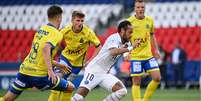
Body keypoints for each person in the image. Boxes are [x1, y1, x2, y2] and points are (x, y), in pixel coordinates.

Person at [0, 5, 74, 101]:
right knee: (70, 87)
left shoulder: (40, 30)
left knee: (7, 99)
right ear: (59, 18)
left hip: (24, 71)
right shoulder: (56, 33)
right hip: (39, 76)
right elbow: (45, 48)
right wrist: (50, 70)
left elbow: (41, 55)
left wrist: (59, 65)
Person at [72, 20, 141, 101]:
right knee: (78, 97)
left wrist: (131, 56)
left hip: (104, 73)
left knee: (122, 91)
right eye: (130, 32)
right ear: (122, 31)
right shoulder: (114, 38)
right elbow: (113, 52)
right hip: (94, 70)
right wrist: (132, 47)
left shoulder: (127, 43)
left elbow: (126, 56)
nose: (131, 35)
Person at [48, 10, 101, 101]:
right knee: (57, 80)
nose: (80, 23)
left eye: (82, 21)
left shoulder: (88, 32)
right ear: (72, 21)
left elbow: (99, 46)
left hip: (77, 65)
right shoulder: (65, 31)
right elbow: (54, 42)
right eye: (77, 20)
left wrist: (90, 60)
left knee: (68, 88)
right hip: (65, 59)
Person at [127, 0, 161, 101]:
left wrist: (157, 50)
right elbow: (125, 38)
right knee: (136, 82)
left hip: (148, 55)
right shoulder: (129, 22)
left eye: (142, 7)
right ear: (134, 8)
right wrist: (126, 52)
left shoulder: (149, 20)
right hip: (135, 56)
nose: (140, 9)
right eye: (138, 7)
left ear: (144, 8)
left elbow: (152, 35)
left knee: (157, 78)